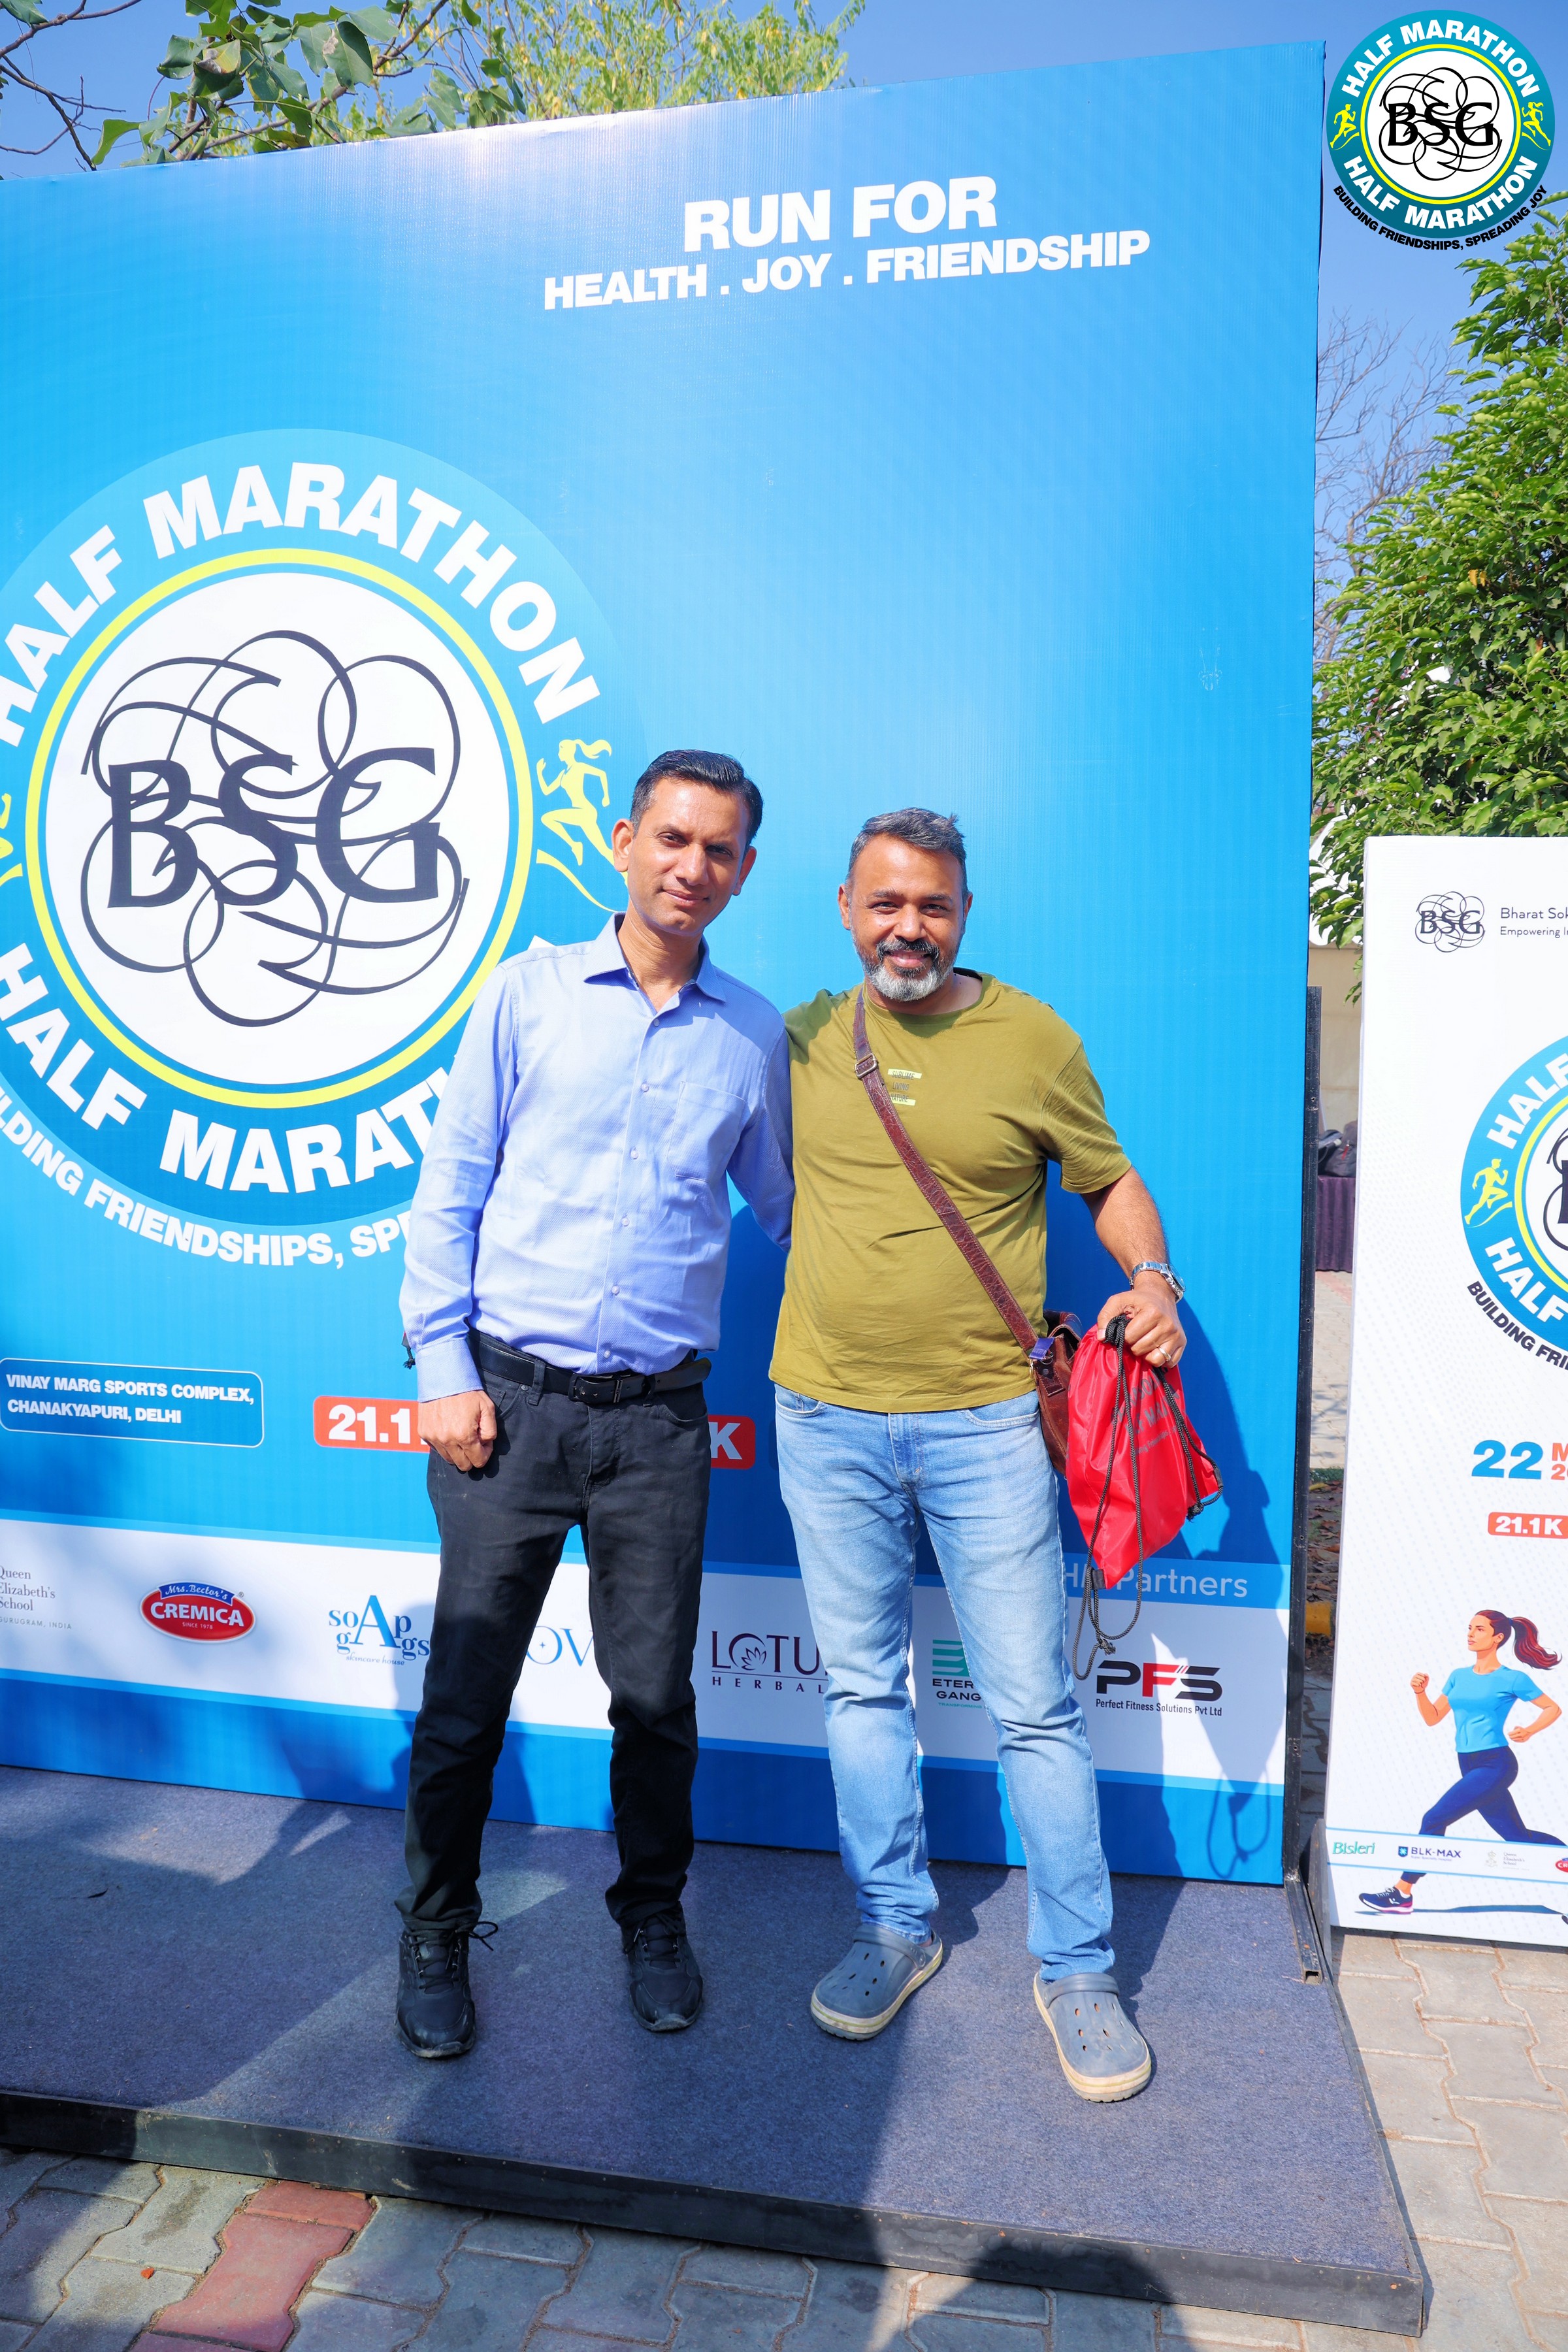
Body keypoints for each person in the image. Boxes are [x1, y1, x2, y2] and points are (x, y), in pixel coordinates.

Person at [770, 807, 1184, 2103]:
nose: (910, 927)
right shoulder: (795, 1039)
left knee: (1035, 1710)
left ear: (963, 912)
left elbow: (1109, 1182)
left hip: (988, 1425)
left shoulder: (1032, 1038)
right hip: (822, 1417)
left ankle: (1079, 1971)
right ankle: (895, 1928)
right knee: (861, 1695)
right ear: (848, 910)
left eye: (933, 905)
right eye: (886, 904)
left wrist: (1154, 1278)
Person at [395, 749, 791, 2054]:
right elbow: (449, 1190)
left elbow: (796, 1213)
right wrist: (443, 1371)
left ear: (744, 871)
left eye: (719, 849)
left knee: (656, 1704)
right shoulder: (528, 997)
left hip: (658, 1427)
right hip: (507, 1412)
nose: (692, 867)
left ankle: (653, 1919)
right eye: (673, 838)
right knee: (465, 1701)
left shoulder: (753, 1037)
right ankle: (435, 1928)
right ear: (625, 842)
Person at [1360, 1609, 1563, 1915]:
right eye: (1470, 1628)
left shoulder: (1512, 1678)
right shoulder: (1458, 1676)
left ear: (1498, 1638)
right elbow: (1433, 1717)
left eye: (1479, 1629)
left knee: (1434, 1818)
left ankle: (1402, 1893)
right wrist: (1420, 1693)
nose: (1470, 1634)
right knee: (1517, 1837)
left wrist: (1530, 1730)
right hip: (1468, 1763)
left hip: (1495, 1764)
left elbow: (1552, 1708)